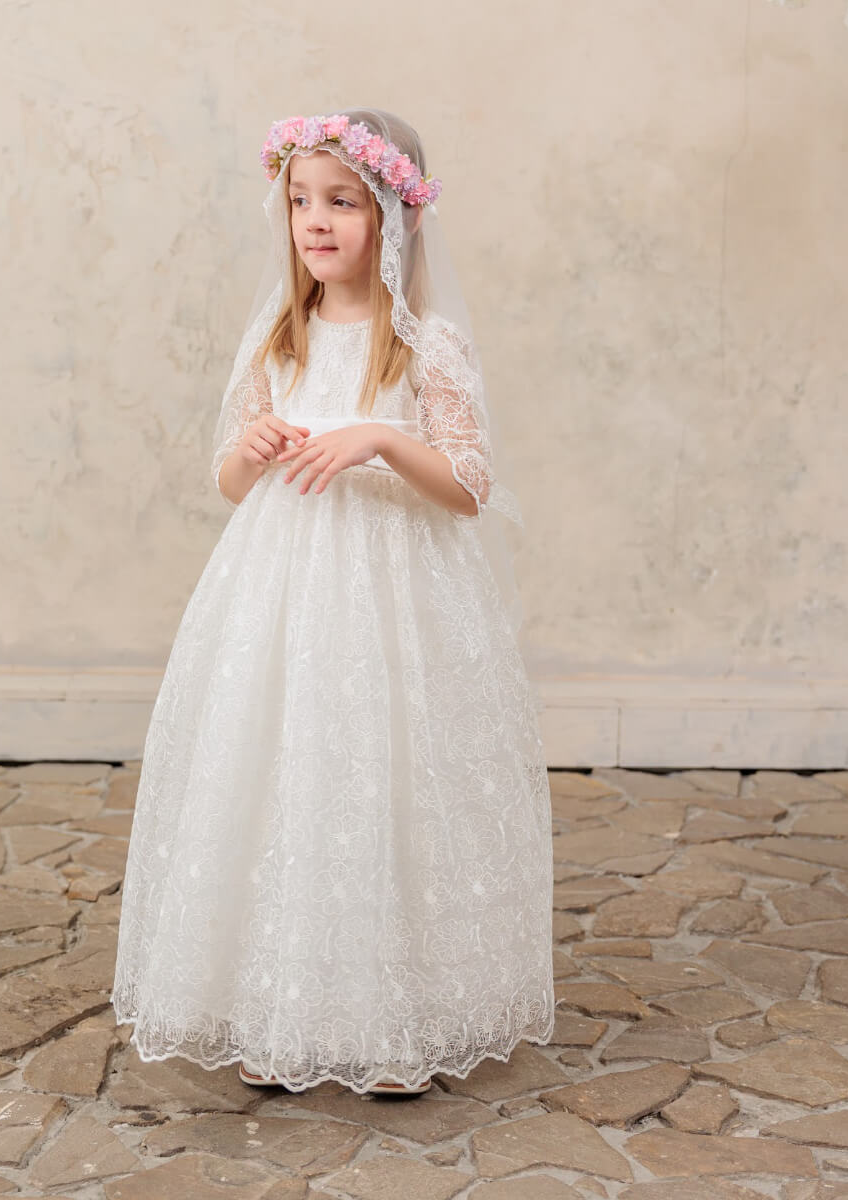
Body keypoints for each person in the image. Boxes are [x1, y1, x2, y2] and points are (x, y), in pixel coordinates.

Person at [110, 106, 554, 1096]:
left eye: (343, 202)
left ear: (397, 216)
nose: (316, 220)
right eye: (301, 200)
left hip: (391, 597)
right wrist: (251, 449)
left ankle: (393, 1024)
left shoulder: (424, 344)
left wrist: (383, 439)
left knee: (381, 778)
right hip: (283, 595)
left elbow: (470, 483)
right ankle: (280, 1012)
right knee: (285, 775)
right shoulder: (280, 336)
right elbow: (232, 482)